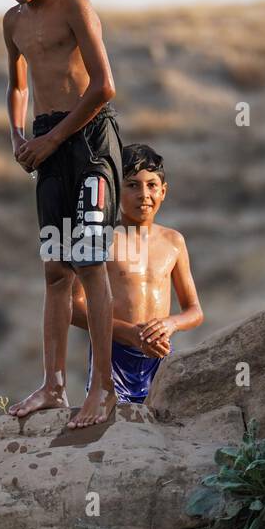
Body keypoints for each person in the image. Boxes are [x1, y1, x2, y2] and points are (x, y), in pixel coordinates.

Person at [0, 0, 122, 429]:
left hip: (86, 138)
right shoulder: (12, 23)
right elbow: (17, 84)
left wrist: (51, 139)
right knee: (55, 270)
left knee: (89, 264)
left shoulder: (74, 5)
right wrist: (18, 136)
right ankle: (53, 385)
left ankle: (104, 389)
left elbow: (105, 85)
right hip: (45, 141)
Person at [71, 144, 204, 404]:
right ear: (115, 192)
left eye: (152, 185)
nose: (144, 194)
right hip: (112, 354)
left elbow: (194, 311)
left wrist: (170, 324)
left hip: (160, 354)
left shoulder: (174, 241)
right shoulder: (100, 238)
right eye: (132, 186)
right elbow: (73, 307)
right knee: (115, 430)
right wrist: (131, 334)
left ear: (163, 192)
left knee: (164, 428)